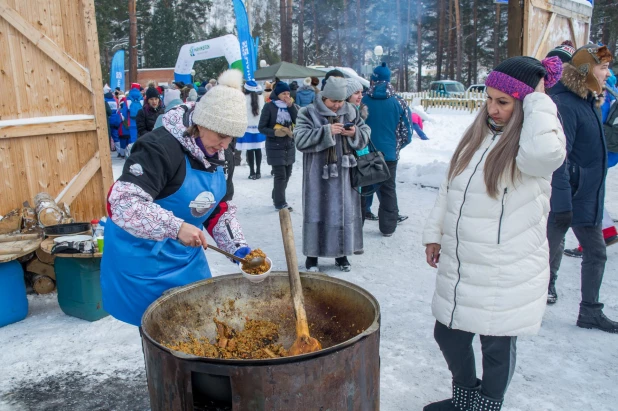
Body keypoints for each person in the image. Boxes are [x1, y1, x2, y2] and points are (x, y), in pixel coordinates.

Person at [422, 56, 566, 411]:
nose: (492, 108)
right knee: (448, 335)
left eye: (503, 101)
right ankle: (465, 397)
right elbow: (449, 187)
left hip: (506, 266)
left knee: (496, 346)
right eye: (489, 99)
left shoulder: (534, 145)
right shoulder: (479, 135)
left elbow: (546, 154)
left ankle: (487, 405)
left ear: (524, 101)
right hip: (463, 262)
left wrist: (537, 98)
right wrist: (435, 232)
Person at [101, 70, 252, 327]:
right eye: (221, 137)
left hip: (185, 257)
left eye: (231, 139)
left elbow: (218, 209)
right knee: (160, 332)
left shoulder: (222, 155)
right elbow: (123, 203)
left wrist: (238, 249)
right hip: (143, 259)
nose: (226, 146)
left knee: (203, 322)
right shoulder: (159, 147)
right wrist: (177, 227)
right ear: (202, 123)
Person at [546, 45, 618, 333]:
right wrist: (562, 204)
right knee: (546, 251)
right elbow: (559, 158)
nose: (608, 73)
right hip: (567, 197)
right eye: (603, 68)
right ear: (587, 71)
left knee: (597, 253)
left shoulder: (588, 101)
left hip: (587, 196)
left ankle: (590, 311)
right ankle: (526, 296)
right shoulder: (566, 104)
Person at [294, 77, 370, 272]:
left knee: (343, 213)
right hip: (317, 176)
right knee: (316, 212)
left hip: (345, 175)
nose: (337, 106)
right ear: (324, 97)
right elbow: (300, 140)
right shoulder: (307, 112)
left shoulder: (351, 111)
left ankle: (342, 255)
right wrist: (326, 131)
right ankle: (312, 257)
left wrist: (354, 133)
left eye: (340, 101)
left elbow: (366, 132)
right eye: (333, 101)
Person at [563, 68, 618, 258]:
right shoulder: (609, 91)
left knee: (584, 194)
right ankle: (607, 231)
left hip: (597, 152)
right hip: (606, 150)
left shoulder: (598, 94)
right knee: (591, 191)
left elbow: (592, 124)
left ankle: (593, 239)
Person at [361, 63, 412, 236]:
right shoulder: (399, 102)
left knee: (363, 188)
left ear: (373, 80)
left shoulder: (362, 100)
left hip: (365, 152)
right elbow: (407, 133)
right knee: (388, 190)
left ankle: (357, 226)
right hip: (389, 154)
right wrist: (395, 147)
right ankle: (388, 228)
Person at [259, 81, 298, 211]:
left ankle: (276, 195)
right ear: (277, 94)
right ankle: (280, 203)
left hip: (289, 144)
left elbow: (297, 121)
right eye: (283, 93)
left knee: (288, 174)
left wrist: (291, 106)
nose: (286, 96)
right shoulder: (269, 107)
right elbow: (262, 128)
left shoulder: (292, 106)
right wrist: (275, 132)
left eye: (288, 93)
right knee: (280, 175)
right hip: (274, 145)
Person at [237, 81, 266, 180]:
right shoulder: (261, 98)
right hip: (259, 128)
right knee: (258, 150)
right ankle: (258, 172)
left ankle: (252, 172)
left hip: (247, 128)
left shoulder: (242, 99)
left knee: (250, 150)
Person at [104, 87, 122, 152]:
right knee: (116, 137)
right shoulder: (114, 100)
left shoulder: (104, 100)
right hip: (115, 120)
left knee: (107, 137)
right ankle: (120, 152)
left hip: (108, 121)